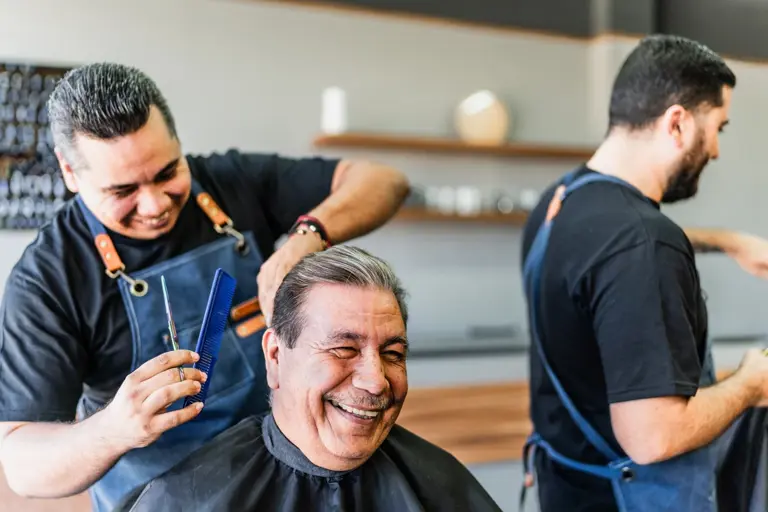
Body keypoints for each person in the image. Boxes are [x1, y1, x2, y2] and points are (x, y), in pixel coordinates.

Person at [0, 62, 409, 511]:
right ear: (70, 173)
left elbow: (385, 181)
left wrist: (308, 235)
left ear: (177, 143)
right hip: (164, 500)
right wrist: (114, 428)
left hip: (284, 481)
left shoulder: (228, 182)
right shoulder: (48, 281)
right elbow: (23, 466)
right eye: (123, 191)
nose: (155, 205)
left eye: (167, 173)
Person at [520, 34, 768, 512]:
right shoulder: (644, 243)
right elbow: (654, 437)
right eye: (718, 127)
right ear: (677, 123)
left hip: (566, 488)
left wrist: (727, 241)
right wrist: (752, 383)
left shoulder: (561, 202)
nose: (715, 150)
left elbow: (609, 250)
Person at [113, 245, 502, 512]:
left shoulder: (440, 486)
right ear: (276, 357)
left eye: (393, 354)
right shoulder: (185, 499)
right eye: (344, 350)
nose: (376, 381)